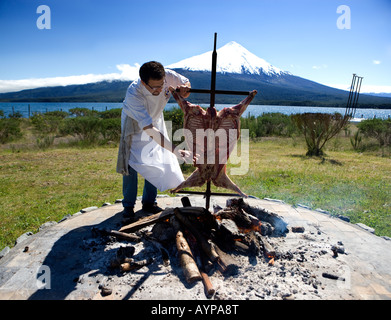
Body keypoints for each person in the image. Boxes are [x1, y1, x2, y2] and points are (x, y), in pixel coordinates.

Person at [116, 61, 193, 220]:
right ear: (143, 83)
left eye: (161, 85)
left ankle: (149, 202)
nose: (159, 90)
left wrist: (185, 89)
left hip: (155, 120)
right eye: (154, 88)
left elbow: (186, 84)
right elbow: (149, 129)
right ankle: (128, 206)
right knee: (130, 165)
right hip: (134, 123)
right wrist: (175, 150)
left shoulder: (169, 76)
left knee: (156, 160)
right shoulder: (134, 93)